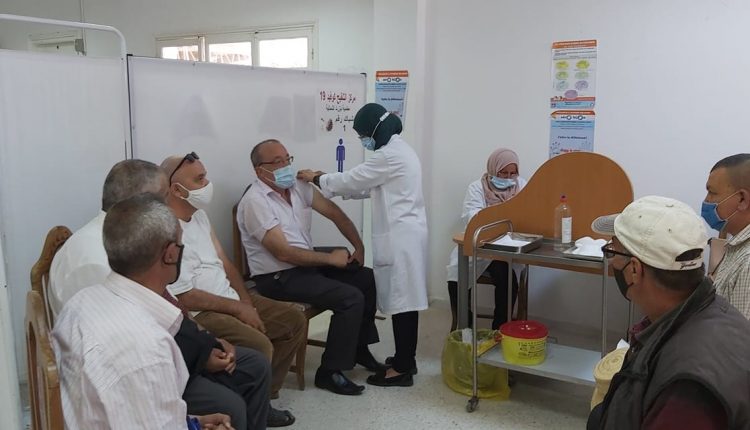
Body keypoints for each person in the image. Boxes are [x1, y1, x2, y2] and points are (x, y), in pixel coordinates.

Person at [49, 160, 277, 429]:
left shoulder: (125, 245)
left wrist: (207, 343)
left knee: (252, 367)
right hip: (121, 378)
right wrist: (201, 358)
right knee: (230, 403)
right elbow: (127, 349)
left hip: (151, 356)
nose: (170, 203)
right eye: (163, 196)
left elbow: (161, 312)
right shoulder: (100, 257)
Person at [161, 153, 304, 425]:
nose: (207, 184)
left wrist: (245, 301)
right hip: (202, 312)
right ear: (176, 190)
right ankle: (253, 404)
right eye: (199, 179)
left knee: (293, 321)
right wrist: (237, 309)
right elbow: (183, 296)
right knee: (259, 345)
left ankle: (263, 395)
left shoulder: (199, 216)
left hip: (229, 298)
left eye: (205, 176)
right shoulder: (166, 228)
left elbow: (225, 262)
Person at [586, 196, 750, 429]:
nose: (611, 262)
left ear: (634, 270)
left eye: (613, 251)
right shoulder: (713, 311)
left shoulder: (686, 391)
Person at [237, 138, 384, 396]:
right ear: (260, 170)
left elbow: (334, 213)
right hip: (277, 276)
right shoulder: (255, 202)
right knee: (349, 297)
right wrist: (330, 259)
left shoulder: (297, 187)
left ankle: (358, 349)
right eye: (278, 162)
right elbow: (283, 253)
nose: (286, 166)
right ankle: (329, 372)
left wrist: (358, 246)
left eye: (287, 159)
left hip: (303, 263)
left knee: (365, 277)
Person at [297, 103, 428, 387]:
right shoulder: (400, 150)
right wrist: (330, 181)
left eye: (363, 135)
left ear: (374, 130)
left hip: (400, 238)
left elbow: (353, 179)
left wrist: (317, 178)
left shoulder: (389, 156)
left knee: (403, 304)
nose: (363, 141)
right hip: (407, 235)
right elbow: (368, 186)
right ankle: (406, 360)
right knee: (406, 301)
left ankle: (402, 370)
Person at [445, 148, 528, 330]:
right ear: (493, 169)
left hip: (506, 250)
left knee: (507, 279)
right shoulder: (477, 187)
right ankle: (465, 325)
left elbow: (526, 215)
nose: (508, 177)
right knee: (456, 274)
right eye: (503, 173)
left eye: (512, 173)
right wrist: (502, 217)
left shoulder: (521, 186)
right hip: (480, 246)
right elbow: (473, 218)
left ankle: (499, 329)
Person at [701, 153, 750, 319]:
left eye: (712, 192)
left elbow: (741, 333)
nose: (706, 200)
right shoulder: (736, 248)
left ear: (742, 199)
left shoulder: (748, 262)